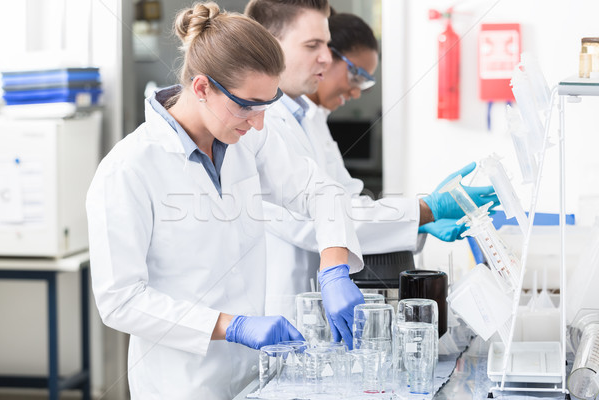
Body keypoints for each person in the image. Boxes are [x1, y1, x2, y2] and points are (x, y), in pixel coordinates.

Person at [86, 3, 363, 399]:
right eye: (249, 106)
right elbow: (120, 301)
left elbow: (321, 192)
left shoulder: (247, 136)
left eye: (268, 104)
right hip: (182, 383)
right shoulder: (128, 169)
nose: (260, 122)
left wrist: (333, 268)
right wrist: (231, 326)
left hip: (254, 375)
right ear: (201, 88)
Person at [245, 3, 498, 324]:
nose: (324, 57)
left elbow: (345, 200)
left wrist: (419, 218)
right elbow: (310, 222)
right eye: (313, 45)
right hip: (281, 305)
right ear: (268, 43)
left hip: (311, 304)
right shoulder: (258, 125)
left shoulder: (308, 119)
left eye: (326, 45)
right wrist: (423, 209)